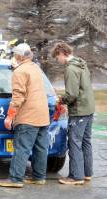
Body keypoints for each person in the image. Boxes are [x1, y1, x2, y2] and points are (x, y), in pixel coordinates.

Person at [0, 43, 50, 188]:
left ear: (18, 56)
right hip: (42, 115)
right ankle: (39, 177)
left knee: (22, 148)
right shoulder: (35, 68)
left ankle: (15, 179)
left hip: (28, 116)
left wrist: (9, 116)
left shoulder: (19, 72)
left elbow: (18, 97)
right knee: (40, 148)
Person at [51, 42, 95, 185]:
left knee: (75, 142)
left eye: (57, 57)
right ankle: (87, 173)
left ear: (62, 53)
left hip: (79, 111)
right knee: (85, 142)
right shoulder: (82, 64)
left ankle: (76, 177)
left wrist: (61, 99)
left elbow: (72, 94)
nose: (58, 61)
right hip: (89, 108)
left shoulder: (70, 69)